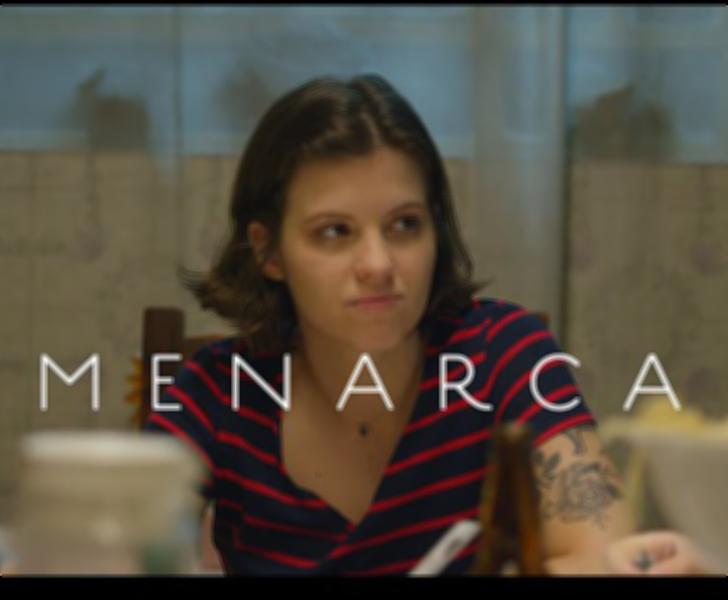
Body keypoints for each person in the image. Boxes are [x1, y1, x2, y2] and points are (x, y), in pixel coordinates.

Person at [143, 74, 719, 576]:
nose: (378, 265)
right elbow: (124, 554)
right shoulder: (215, 394)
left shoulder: (503, 355)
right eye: (334, 232)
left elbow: (601, 554)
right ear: (268, 252)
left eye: (404, 225)